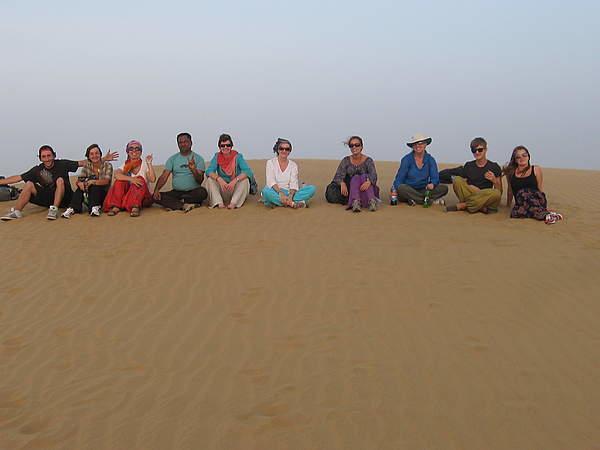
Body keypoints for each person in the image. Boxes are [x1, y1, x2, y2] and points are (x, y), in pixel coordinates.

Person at [0, 145, 118, 221]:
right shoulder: (37, 170)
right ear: (40, 158)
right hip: (48, 198)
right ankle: (17, 211)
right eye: (44, 157)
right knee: (29, 183)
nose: (47, 159)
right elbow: (18, 177)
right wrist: (1, 182)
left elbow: (83, 163)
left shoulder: (62, 164)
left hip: (65, 198)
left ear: (54, 155)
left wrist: (103, 159)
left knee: (60, 180)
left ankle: (54, 210)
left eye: (49, 156)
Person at [504, 145, 563, 224]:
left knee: (523, 192)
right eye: (518, 157)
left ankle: (546, 216)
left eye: (524, 155)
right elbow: (510, 190)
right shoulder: (511, 173)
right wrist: (508, 205)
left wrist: (543, 204)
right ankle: (548, 215)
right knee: (515, 214)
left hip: (536, 199)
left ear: (528, 157)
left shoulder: (535, 169)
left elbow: (540, 189)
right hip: (521, 203)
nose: (522, 158)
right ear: (515, 160)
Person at [153, 132, 207, 212]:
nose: (183, 144)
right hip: (176, 192)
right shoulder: (172, 159)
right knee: (156, 196)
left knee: (202, 192)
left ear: (191, 143)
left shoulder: (199, 159)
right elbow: (164, 176)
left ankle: (177, 204)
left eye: (185, 142)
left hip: (193, 192)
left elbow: (200, 180)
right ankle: (184, 205)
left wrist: (193, 169)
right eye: (180, 142)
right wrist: (156, 190)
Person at [445, 137, 502, 213]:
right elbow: (463, 186)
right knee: (457, 180)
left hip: (486, 196)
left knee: (496, 193)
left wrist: (494, 181)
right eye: (474, 150)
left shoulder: (494, 166)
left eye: (480, 150)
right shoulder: (468, 165)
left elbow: (500, 191)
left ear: (485, 150)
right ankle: (480, 207)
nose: (477, 153)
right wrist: (472, 188)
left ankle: (464, 205)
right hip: (472, 194)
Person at [325, 136, 380, 212]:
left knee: (364, 179)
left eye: (357, 145)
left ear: (361, 147)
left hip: (364, 187)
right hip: (349, 187)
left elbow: (373, 175)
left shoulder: (368, 161)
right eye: (351, 145)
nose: (354, 147)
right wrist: (342, 182)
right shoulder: (346, 160)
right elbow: (338, 175)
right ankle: (355, 199)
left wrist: (369, 182)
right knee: (331, 189)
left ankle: (366, 200)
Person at [392, 133, 448, 206]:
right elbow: (399, 178)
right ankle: (427, 200)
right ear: (412, 146)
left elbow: (435, 178)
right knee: (401, 188)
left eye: (420, 143)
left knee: (444, 188)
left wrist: (433, 184)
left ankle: (414, 199)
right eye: (415, 144)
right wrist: (395, 189)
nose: (418, 146)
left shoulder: (430, 160)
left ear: (425, 145)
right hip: (409, 189)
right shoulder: (406, 159)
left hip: (424, 189)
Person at [103, 140, 156, 217]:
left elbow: (152, 179)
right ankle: (116, 206)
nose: (134, 151)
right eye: (131, 149)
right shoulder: (125, 165)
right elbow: (117, 175)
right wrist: (131, 179)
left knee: (139, 179)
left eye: (137, 148)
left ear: (141, 152)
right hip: (128, 196)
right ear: (127, 152)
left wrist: (149, 163)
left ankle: (135, 207)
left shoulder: (145, 164)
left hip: (143, 198)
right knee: (119, 181)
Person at [261, 138, 316, 208]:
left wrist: (290, 196)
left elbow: (293, 183)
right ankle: (293, 204)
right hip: (275, 191)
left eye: (287, 149)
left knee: (312, 189)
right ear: (278, 150)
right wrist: (280, 193)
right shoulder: (270, 163)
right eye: (281, 148)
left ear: (289, 151)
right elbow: (271, 181)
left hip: (289, 192)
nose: (284, 151)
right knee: (266, 191)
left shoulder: (293, 165)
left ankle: (279, 202)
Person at [61, 144, 114, 218]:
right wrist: (80, 184)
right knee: (80, 188)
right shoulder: (87, 166)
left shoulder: (107, 165)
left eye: (96, 153)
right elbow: (79, 180)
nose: (94, 156)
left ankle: (95, 207)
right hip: (89, 195)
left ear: (100, 154)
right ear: (88, 156)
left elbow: (106, 181)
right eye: (91, 154)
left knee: (94, 185)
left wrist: (92, 182)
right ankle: (72, 208)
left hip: (103, 195)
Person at [205, 134, 254, 209]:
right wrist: (219, 179)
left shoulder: (238, 157)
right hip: (223, 188)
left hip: (235, 189)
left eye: (228, 145)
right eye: (223, 146)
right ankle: (219, 203)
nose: (225, 147)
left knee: (245, 180)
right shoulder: (217, 157)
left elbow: (248, 171)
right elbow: (209, 171)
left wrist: (234, 181)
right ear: (219, 147)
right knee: (209, 180)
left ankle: (233, 203)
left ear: (231, 146)